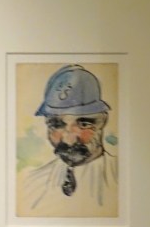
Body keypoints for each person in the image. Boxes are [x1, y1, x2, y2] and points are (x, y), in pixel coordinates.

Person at [19, 64, 118, 216]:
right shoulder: (32, 186)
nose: (69, 139)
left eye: (83, 124)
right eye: (57, 125)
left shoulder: (122, 179)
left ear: (102, 122)